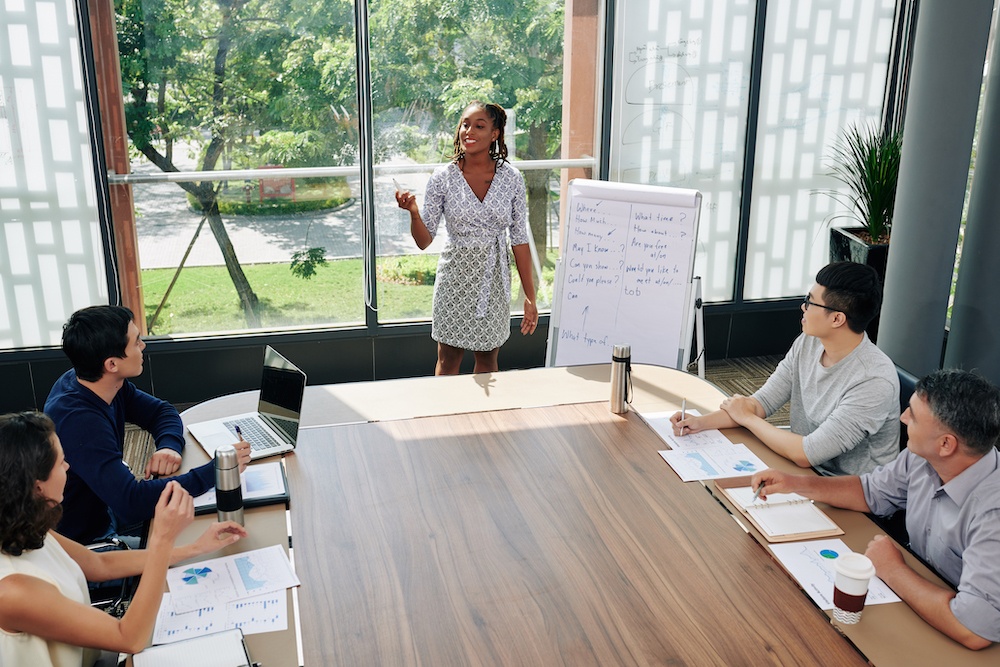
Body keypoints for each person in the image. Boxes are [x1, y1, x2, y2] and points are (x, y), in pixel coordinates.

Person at [751, 369, 1000, 649]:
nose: (903, 418)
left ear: (946, 444)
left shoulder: (993, 513)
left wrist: (892, 569)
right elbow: (870, 492)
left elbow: (974, 630)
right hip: (921, 599)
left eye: (913, 416)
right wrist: (796, 484)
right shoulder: (923, 458)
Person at [0, 411, 248, 666]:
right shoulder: (13, 590)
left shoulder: (24, 527)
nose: (68, 467)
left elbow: (99, 565)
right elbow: (130, 639)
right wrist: (162, 540)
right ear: (37, 486)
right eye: (61, 462)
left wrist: (193, 548)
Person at [44, 305, 250, 545]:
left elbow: (161, 412)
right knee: (185, 546)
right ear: (112, 364)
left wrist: (169, 447)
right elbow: (132, 502)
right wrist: (217, 471)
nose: (143, 346)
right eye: (136, 342)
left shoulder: (99, 381)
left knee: (197, 518)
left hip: (108, 504)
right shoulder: (78, 420)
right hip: (88, 539)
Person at [671, 261, 899, 476]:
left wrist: (748, 419)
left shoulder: (873, 380)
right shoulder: (810, 342)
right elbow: (762, 403)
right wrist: (701, 423)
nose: (803, 307)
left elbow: (806, 453)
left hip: (852, 494)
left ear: (837, 319)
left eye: (810, 302)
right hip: (804, 472)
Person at [395, 100, 538, 375]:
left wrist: (530, 297)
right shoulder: (443, 178)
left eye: (479, 126)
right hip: (454, 278)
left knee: (487, 361)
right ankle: (443, 417)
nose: (468, 131)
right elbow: (424, 240)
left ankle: (482, 418)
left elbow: (519, 239)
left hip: (493, 279)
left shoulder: (511, 178)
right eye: (465, 124)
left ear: (495, 134)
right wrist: (413, 212)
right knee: (448, 360)